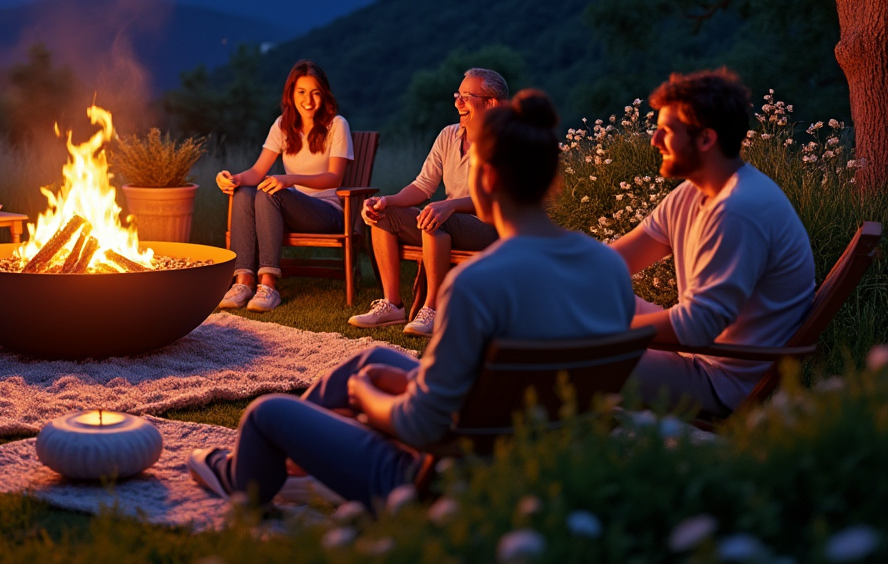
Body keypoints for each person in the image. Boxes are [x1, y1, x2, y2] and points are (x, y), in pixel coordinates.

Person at [188, 91, 635, 508]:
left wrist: (367, 396)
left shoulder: (477, 283)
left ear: (487, 178)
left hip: (438, 478)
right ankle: (301, 459)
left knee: (269, 412)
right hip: (531, 448)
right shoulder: (608, 266)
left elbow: (420, 425)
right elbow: (509, 386)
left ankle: (245, 478)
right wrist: (388, 380)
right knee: (371, 358)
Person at [612, 69, 815, 416]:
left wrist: (591, 331)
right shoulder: (694, 193)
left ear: (706, 139)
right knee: (570, 301)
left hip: (718, 380)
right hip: (695, 355)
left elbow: (695, 328)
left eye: (667, 130)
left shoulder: (739, 209)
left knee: (563, 354)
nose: (655, 140)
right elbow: (614, 263)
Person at [348, 68, 508, 336]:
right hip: (447, 221)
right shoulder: (449, 135)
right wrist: (386, 200)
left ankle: (433, 308)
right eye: (458, 95)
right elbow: (424, 185)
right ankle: (393, 305)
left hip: (489, 228)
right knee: (383, 215)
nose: (458, 102)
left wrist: (452, 205)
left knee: (435, 218)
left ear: (491, 103)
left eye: (467, 96)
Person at [215, 60, 354, 313]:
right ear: (291, 93)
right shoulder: (282, 126)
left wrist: (290, 179)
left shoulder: (337, 125)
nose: (308, 100)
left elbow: (334, 177)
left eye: (315, 93)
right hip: (290, 210)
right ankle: (243, 281)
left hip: (326, 212)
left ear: (324, 94)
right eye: (301, 92)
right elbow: (257, 172)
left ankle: (268, 285)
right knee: (246, 191)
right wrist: (231, 179)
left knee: (271, 193)